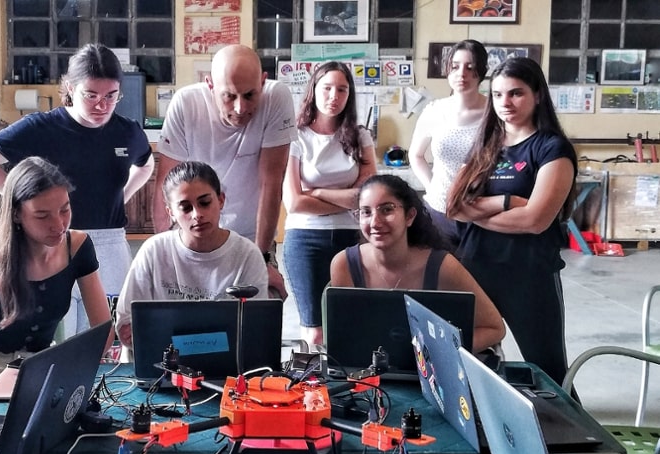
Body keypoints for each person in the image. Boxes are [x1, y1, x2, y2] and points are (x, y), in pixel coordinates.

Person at [0, 43, 154, 337]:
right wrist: (23, 202)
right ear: (71, 89)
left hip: (109, 246)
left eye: (111, 96)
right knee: (58, 342)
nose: (101, 105)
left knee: (106, 341)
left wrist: (121, 197)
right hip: (51, 244)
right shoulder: (40, 128)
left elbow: (146, 166)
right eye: (91, 95)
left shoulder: (127, 131)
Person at [0, 157, 113, 425]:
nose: (59, 224)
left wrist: (72, 377)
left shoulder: (78, 247)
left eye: (65, 210)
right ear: (16, 214)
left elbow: (104, 331)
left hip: (35, 375)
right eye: (42, 215)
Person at [445, 57, 577, 386]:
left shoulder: (551, 149)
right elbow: (453, 206)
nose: (506, 103)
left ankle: (575, 434)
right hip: (475, 269)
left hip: (529, 275)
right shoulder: (486, 145)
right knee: (464, 356)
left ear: (538, 96)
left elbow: (535, 220)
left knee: (548, 370)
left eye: (516, 93)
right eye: (499, 94)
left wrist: (478, 213)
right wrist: (506, 202)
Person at [154, 44, 297, 299]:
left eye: (250, 95)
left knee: (257, 325)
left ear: (263, 82)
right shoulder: (186, 105)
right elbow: (166, 186)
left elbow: (271, 183)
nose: (240, 108)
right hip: (194, 239)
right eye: (229, 96)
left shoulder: (277, 98)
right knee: (190, 326)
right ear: (209, 85)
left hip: (252, 237)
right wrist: (166, 254)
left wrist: (259, 258)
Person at [330, 175, 505, 354]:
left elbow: (494, 329)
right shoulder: (344, 264)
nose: (375, 222)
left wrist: (441, 353)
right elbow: (345, 337)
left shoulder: (442, 266)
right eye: (366, 212)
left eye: (387, 210)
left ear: (410, 216)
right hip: (369, 374)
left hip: (432, 375)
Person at [116, 161, 268, 352]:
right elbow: (127, 323)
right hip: (163, 364)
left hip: (229, 366)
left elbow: (257, 329)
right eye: (186, 208)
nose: (197, 214)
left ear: (221, 200)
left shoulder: (247, 255)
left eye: (205, 203)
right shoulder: (153, 250)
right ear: (170, 212)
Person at [282, 61, 376, 346]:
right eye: (327, 88)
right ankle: (313, 389)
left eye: (342, 89)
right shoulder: (295, 136)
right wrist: (346, 198)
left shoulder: (359, 136)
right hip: (304, 239)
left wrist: (319, 192)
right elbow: (295, 202)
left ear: (349, 95)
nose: (333, 96)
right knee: (314, 332)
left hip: (350, 237)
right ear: (313, 90)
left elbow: (366, 195)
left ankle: (344, 388)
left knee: (347, 324)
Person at [408, 39, 488, 249]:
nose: (462, 74)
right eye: (455, 66)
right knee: (441, 276)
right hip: (439, 212)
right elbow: (416, 155)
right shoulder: (434, 110)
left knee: (479, 278)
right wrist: (431, 185)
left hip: (483, 213)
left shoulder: (494, 112)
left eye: (470, 67)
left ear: (482, 71)